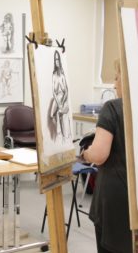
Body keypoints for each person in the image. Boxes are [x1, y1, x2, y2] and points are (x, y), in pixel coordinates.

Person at [82, 59, 132, 253]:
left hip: (116, 198)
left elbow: (99, 155)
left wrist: (86, 154)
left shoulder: (112, 108)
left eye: (117, 77)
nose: (114, 83)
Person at [48, 50, 71, 141]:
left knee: (61, 114)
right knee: (51, 115)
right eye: (55, 60)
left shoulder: (62, 74)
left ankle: (63, 134)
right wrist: (58, 102)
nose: (56, 62)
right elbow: (53, 91)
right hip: (56, 98)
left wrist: (62, 102)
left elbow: (66, 90)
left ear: (60, 61)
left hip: (63, 98)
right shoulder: (54, 74)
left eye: (58, 60)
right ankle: (57, 133)